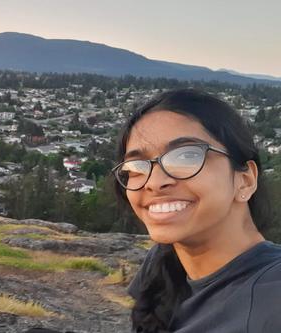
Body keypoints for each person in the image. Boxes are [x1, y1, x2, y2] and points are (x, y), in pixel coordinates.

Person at [113, 89, 281, 332]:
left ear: (245, 180)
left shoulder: (273, 298)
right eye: (136, 166)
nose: (154, 182)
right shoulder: (162, 263)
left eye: (186, 156)